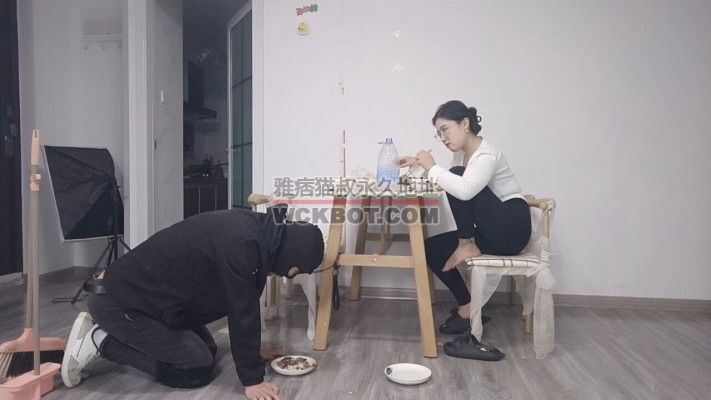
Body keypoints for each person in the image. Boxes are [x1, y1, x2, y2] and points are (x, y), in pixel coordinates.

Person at [61, 205, 324, 400]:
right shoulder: (243, 246)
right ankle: (100, 341)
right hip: (118, 302)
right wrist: (252, 380)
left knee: (208, 349)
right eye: (295, 270)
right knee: (195, 368)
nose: (290, 275)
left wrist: (253, 354)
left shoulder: (254, 230)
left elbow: (240, 303)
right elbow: (242, 310)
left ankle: (111, 332)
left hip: (152, 300)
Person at [399, 100, 531, 359]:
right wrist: (418, 164)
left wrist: (432, 167)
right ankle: (467, 306)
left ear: (465, 124)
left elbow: (464, 189)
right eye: (439, 133)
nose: (442, 138)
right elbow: (451, 186)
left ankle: (467, 243)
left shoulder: (486, 154)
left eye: (445, 129)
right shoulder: (461, 156)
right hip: (490, 229)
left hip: (511, 228)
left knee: (458, 175)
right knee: (431, 249)